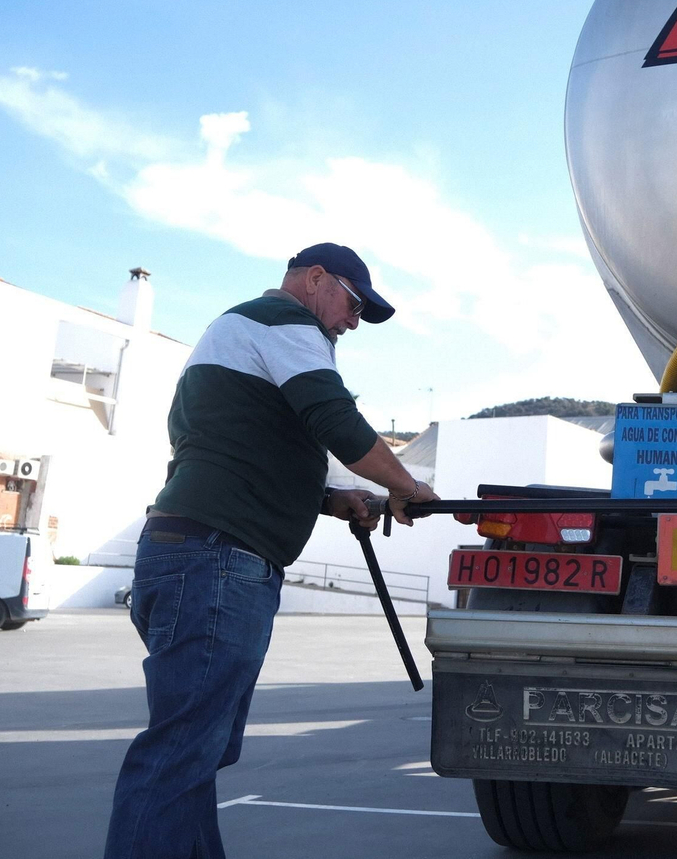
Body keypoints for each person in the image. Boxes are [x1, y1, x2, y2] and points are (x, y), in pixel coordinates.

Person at [104, 242, 440, 859]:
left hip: (197, 553)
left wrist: (332, 497)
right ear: (316, 280)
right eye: (354, 305)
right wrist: (407, 486)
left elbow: (245, 447)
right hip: (216, 559)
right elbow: (334, 420)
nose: (351, 323)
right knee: (182, 752)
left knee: (197, 751)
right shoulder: (286, 323)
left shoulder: (237, 330)